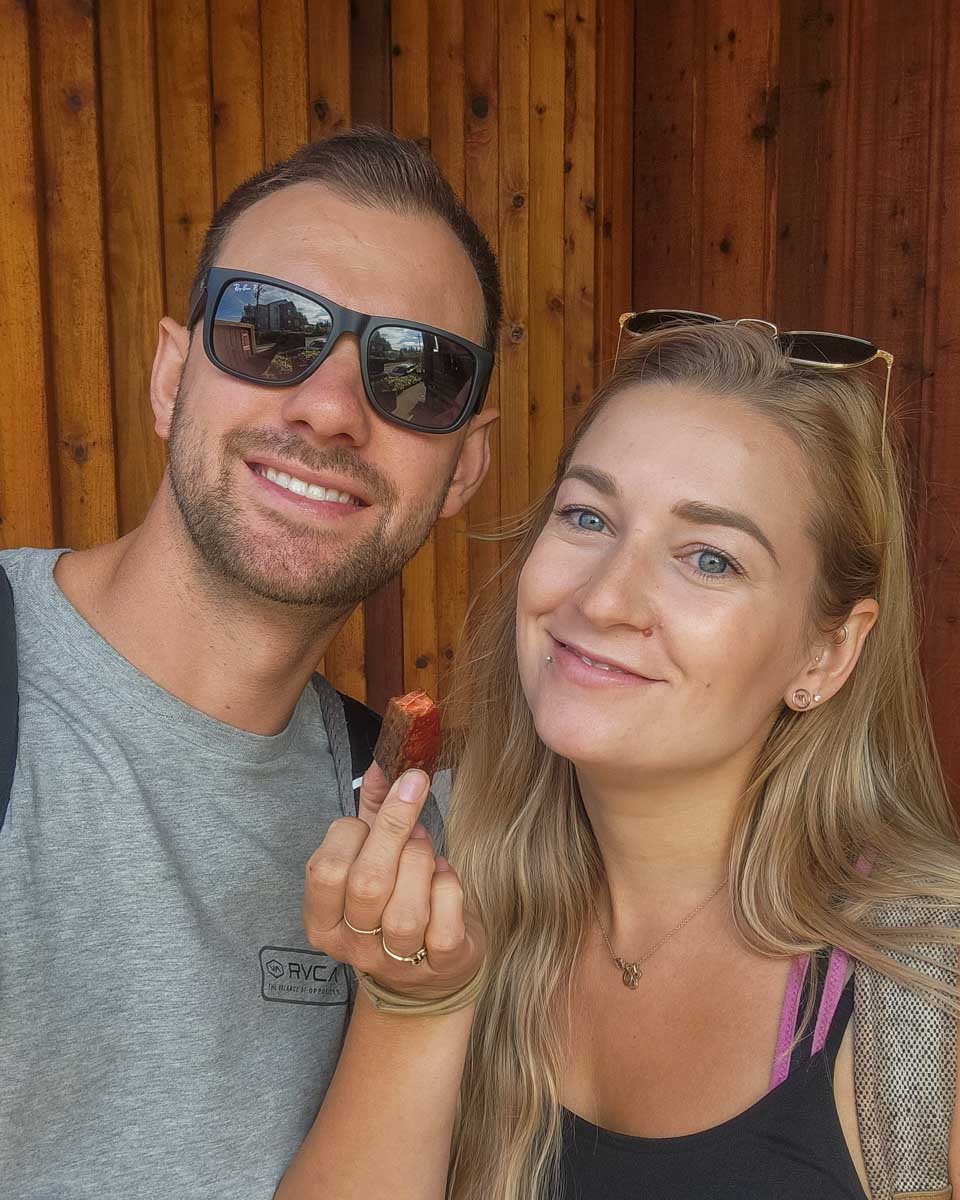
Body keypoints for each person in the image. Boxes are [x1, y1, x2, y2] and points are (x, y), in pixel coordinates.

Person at [283, 317, 960, 1200]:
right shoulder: (445, 878)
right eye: (588, 515)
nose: (605, 598)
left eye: (710, 559)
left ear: (825, 654)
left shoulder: (927, 991)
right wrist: (414, 1001)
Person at [0, 127, 501, 1198]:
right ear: (174, 375)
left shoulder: (416, 833)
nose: (328, 407)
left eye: (413, 373)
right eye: (272, 332)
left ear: (464, 469)